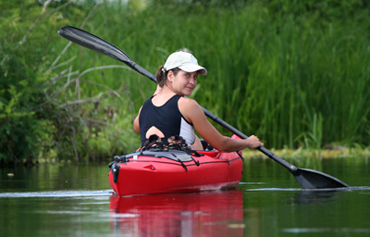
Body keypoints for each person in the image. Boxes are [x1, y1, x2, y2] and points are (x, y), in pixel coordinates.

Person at [133, 51, 263, 151]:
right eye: (187, 75)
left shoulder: (145, 106)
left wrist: (158, 92)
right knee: (193, 140)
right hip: (175, 167)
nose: (192, 82)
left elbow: (138, 127)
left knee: (193, 139)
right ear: (171, 75)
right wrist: (247, 143)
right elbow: (221, 145)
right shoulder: (188, 105)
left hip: (150, 161)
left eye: (195, 77)